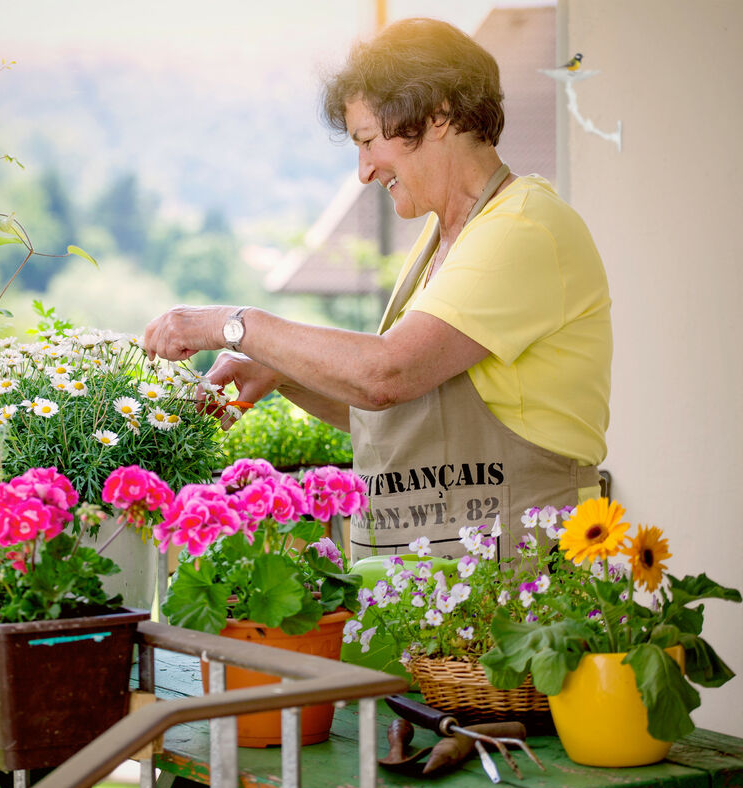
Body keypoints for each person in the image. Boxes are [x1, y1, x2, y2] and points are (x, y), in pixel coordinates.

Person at [143, 17, 612, 562]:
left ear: (436, 115)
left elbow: (386, 374)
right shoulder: (444, 239)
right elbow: (400, 418)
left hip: (524, 605)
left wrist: (234, 326)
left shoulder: (523, 227)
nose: (364, 170)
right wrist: (276, 371)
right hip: (435, 607)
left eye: (367, 140)